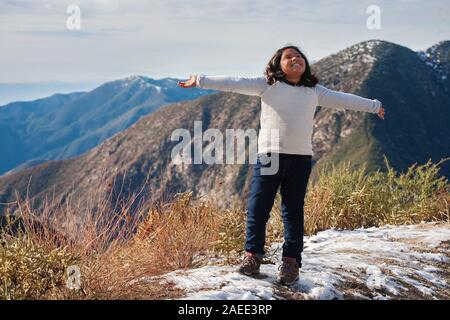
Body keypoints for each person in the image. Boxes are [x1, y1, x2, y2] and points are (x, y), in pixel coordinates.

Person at [178, 45, 385, 285]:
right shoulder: (268, 85)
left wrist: (373, 105)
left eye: (299, 56)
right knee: (258, 208)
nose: (295, 59)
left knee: (293, 212)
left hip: (300, 159)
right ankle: (252, 257)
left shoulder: (314, 91)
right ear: (278, 64)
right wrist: (200, 80)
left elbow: (345, 100)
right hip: (270, 156)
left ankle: (291, 262)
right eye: (289, 57)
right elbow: (234, 82)